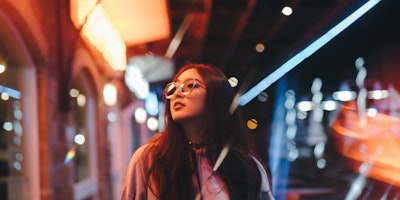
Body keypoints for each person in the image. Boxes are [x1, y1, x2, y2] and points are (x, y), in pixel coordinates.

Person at [121, 63, 274, 200]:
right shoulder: (149, 159)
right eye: (174, 88)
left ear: (217, 96)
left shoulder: (246, 166)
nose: (177, 94)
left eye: (190, 86)